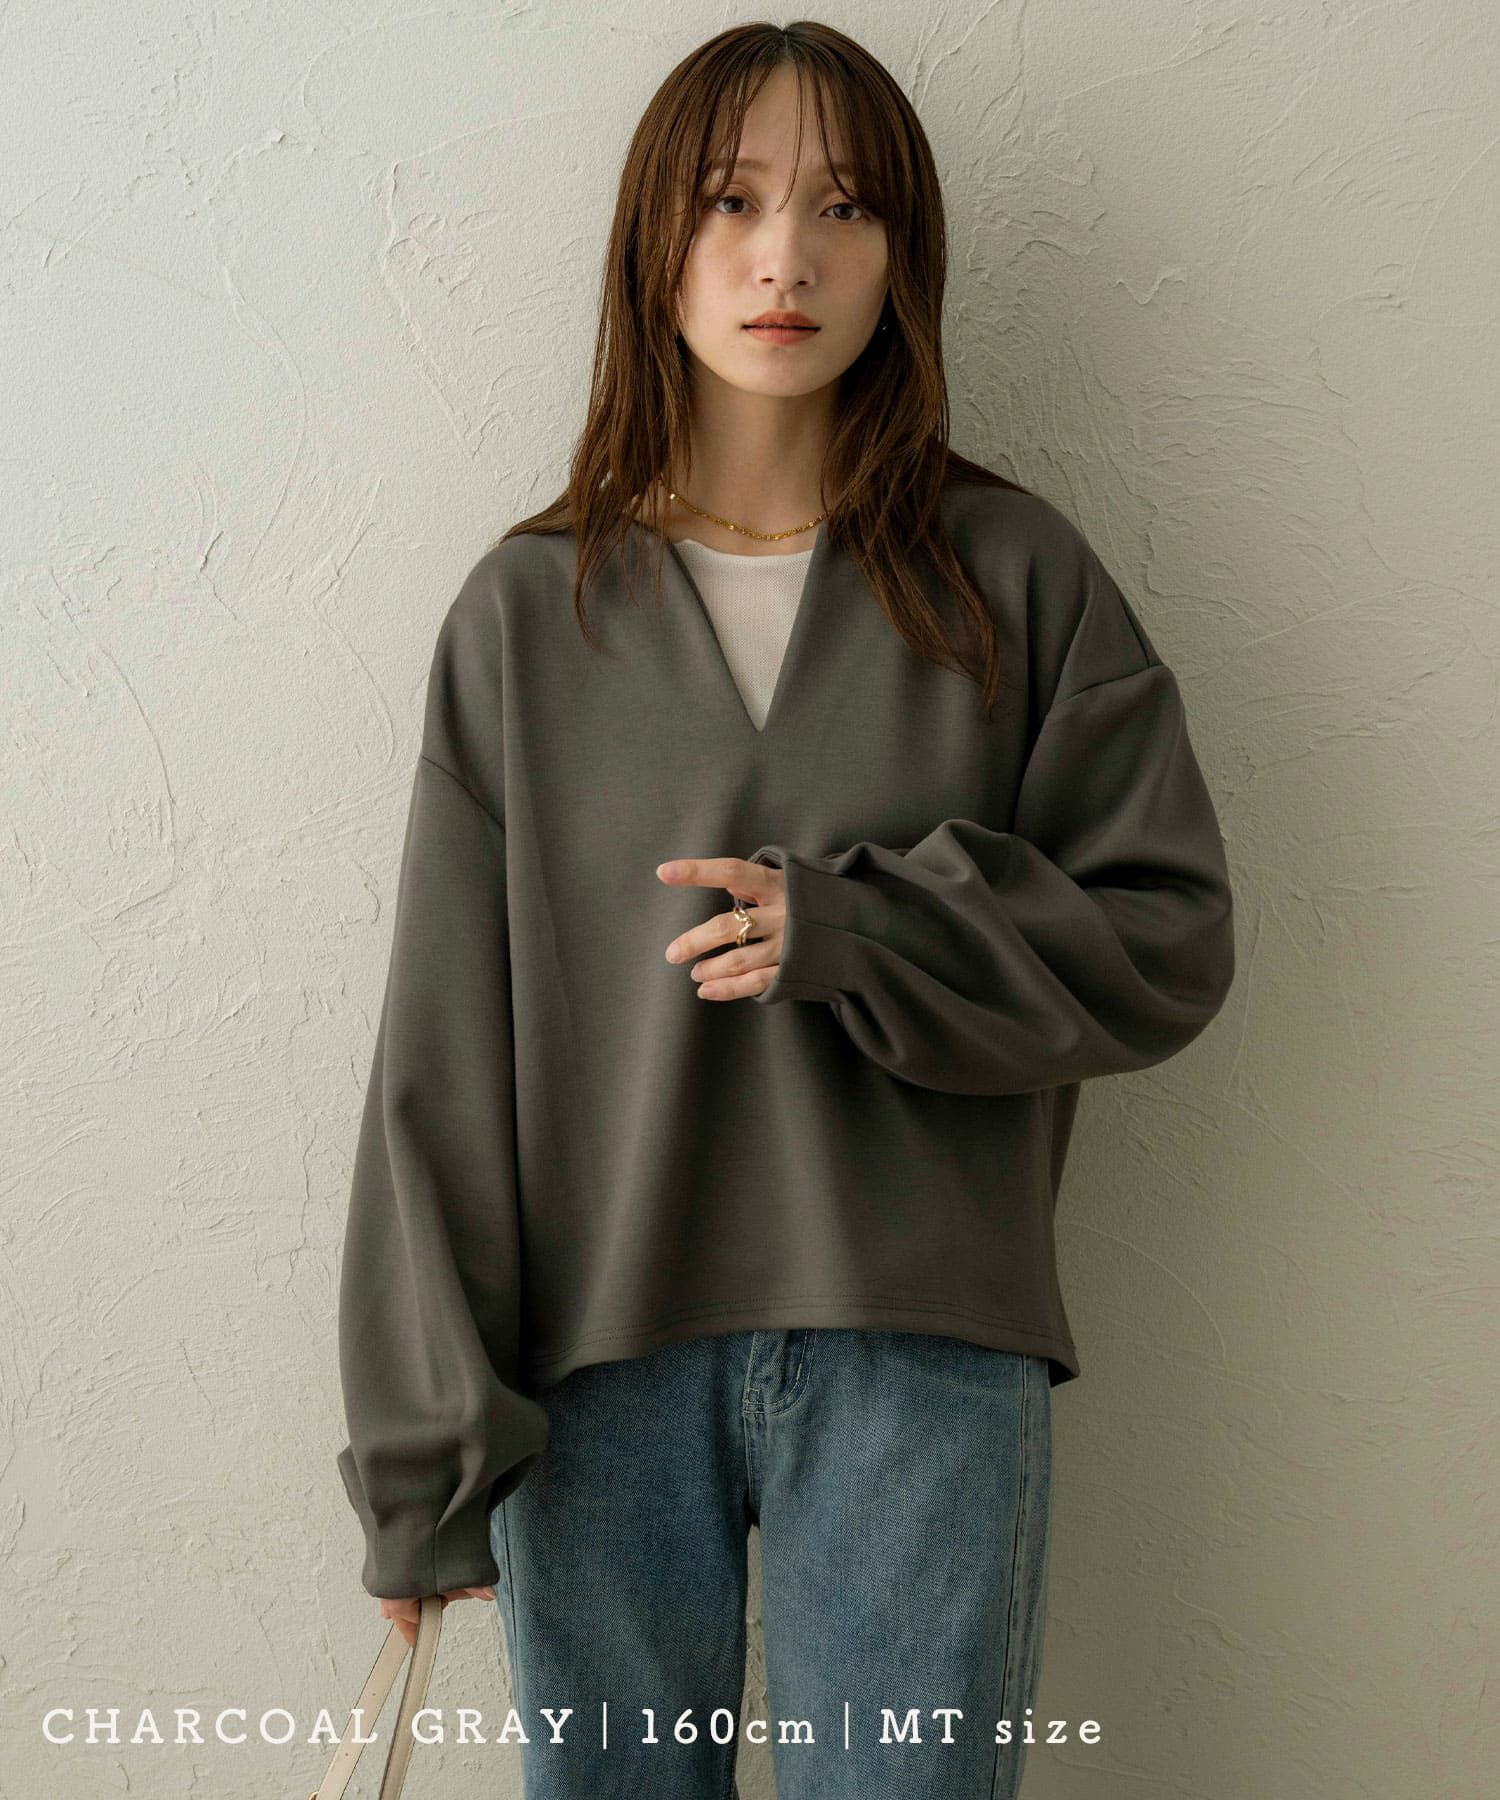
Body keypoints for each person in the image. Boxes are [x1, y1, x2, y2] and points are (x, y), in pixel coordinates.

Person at [334, 21, 1236, 1799]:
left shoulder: (1015, 580)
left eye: (845, 206)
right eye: (730, 201)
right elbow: (440, 1054)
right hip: (592, 1375)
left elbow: (1166, 933)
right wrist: (424, 1448)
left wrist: (864, 931)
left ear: (904, 252)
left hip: (923, 1356)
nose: (785, 258)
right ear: (654, 242)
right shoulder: (529, 614)